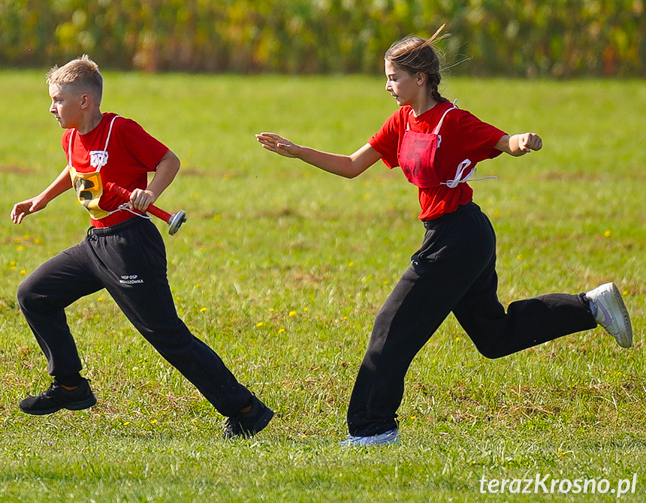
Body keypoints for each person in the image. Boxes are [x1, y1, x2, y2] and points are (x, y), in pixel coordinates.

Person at [255, 27, 633, 447]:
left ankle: (373, 428)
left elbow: (500, 141)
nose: (388, 86)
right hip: (454, 235)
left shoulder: (452, 120)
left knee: (391, 327)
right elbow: (350, 164)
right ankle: (590, 307)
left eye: (394, 77)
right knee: (494, 336)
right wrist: (297, 150)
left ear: (420, 78)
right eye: (386, 77)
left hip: (458, 237)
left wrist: (520, 141)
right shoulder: (403, 120)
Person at [11, 55, 273, 438]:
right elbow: (76, 169)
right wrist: (42, 198)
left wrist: (150, 192)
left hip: (131, 243)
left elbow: (168, 159)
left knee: (165, 334)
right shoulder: (70, 136)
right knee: (34, 294)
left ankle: (246, 409)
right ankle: (70, 385)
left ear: (85, 101)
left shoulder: (120, 129)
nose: (52, 108)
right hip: (96, 242)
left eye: (58, 100)